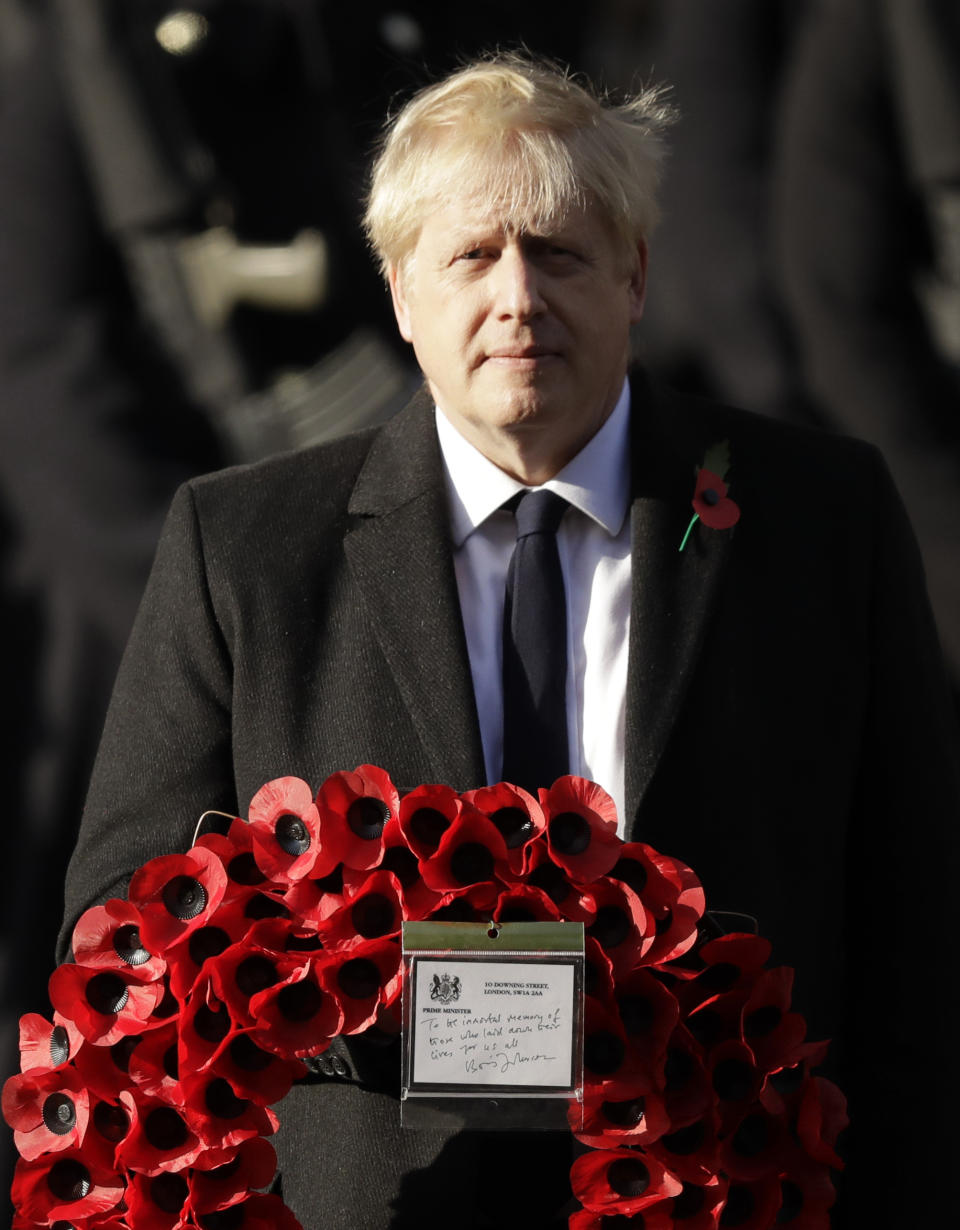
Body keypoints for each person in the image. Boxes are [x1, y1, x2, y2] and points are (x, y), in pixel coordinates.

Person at [58, 54, 960, 1228]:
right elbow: (122, 922)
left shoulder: (816, 519)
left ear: (636, 276)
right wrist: (356, 983)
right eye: (473, 256)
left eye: (562, 252)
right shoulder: (245, 546)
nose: (519, 298)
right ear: (400, 295)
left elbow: (921, 927)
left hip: (729, 1199)